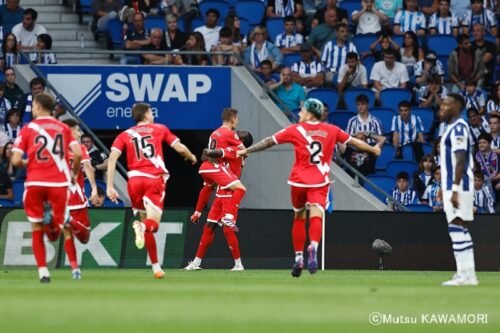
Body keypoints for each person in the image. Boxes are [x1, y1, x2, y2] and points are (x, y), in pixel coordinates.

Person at [237, 98, 381, 277]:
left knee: (298, 217)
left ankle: (298, 257)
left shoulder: (294, 130)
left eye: (302, 111)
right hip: (319, 182)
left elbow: (268, 142)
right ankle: (313, 247)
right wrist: (373, 150)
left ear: (310, 114)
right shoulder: (332, 130)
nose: (299, 113)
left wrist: (246, 151)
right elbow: (353, 142)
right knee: (316, 216)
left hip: (298, 181)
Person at [106, 102, 197, 279]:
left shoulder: (124, 134)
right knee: (152, 225)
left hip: (133, 181)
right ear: (147, 114)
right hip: (153, 180)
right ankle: (140, 227)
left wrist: (110, 186)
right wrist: (191, 156)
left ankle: (156, 267)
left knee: (146, 225)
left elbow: (112, 159)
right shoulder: (158, 128)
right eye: (151, 112)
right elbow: (179, 148)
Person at [11, 92, 82, 283]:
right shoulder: (63, 128)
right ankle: (53, 222)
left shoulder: (27, 129)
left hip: (35, 182)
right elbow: (77, 154)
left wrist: (30, 163)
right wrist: (74, 174)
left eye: (33, 105)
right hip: (59, 184)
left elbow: (16, 159)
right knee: (56, 231)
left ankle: (43, 272)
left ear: (37, 106)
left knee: (36, 227)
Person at [185, 131, 253, 271]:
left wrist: (207, 152)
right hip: (220, 194)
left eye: (237, 136)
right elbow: (208, 188)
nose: (233, 136)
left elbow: (215, 152)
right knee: (208, 228)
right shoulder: (231, 155)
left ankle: (238, 264)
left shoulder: (235, 150)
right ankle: (196, 263)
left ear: (241, 142)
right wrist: (198, 211)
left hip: (230, 194)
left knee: (228, 230)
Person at [439, 93, 478, 286]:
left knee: (456, 227)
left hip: (459, 185)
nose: (442, 107)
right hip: (453, 186)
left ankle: (464, 275)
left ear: (456, 107)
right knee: (459, 228)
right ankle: (468, 274)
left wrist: (454, 189)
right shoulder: (452, 128)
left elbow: (460, 160)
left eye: (446, 105)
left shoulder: (459, 128)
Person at [197, 108, 247, 229]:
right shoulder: (230, 133)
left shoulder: (214, 133)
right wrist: (240, 151)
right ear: (233, 119)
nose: (237, 121)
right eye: (237, 118)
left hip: (207, 167)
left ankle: (197, 212)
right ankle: (228, 216)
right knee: (240, 189)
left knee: (209, 187)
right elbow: (244, 150)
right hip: (216, 167)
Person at [62, 119, 98, 248]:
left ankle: (75, 268)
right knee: (85, 238)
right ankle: (70, 219)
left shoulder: (55, 148)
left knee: (67, 234)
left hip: (60, 199)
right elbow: (88, 166)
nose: (79, 133)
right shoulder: (80, 148)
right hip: (77, 199)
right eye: (77, 130)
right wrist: (94, 188)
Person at [471, 24, 496, 88]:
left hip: (486, 73)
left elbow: (485, 60)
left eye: (478, 31)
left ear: (484, 33)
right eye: (473, 31)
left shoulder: (491, 45)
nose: (475, 33)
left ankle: (477, 95)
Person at [474, 133, 500, 197]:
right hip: (481, 181)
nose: (481, 145)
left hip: (496, 179)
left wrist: (495, 177)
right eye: (479, 143)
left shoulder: (497, 154)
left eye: (484, 143)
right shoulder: (475, 156)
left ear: (489, 144)